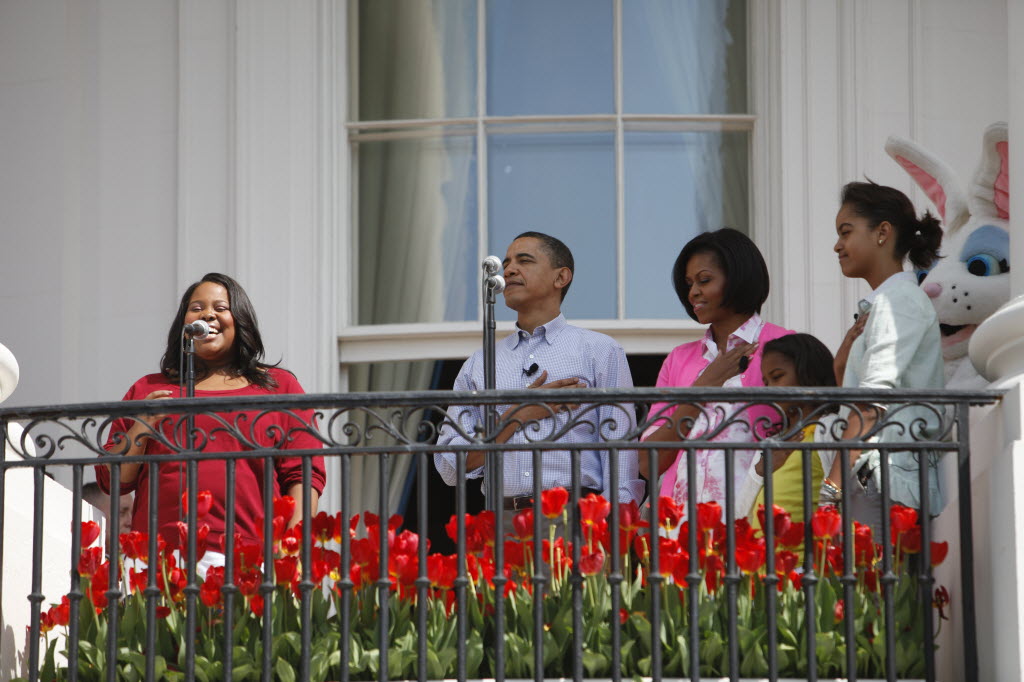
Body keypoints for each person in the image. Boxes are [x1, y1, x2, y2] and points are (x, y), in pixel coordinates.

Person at [96, 273, 326, 566]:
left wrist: (293, 551)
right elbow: (112, 480)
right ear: (184, 324)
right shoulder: (148, 389)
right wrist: (142, 426)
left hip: (247, 554)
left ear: (240, 320)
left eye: (220, 308)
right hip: (159, 560)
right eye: (197, 308)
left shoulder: (278, 387)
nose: (208, 314)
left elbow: (303, 475)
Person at [434, 232, 644, 523]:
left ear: (561, 277)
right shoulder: (480, 363)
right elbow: (450, 468)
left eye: (524, 261)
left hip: (578, 519)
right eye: (507, 263)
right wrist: (517, 416)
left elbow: (620, 453)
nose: (509, 270)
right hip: (503, 522)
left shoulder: (599, 350)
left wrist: (612, 528)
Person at [640, 228, 793, 520]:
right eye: (689, 284)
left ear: (737, 278)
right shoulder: (678, 359)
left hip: (758, 521)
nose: (693, 292)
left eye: (704, 280)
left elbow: (804, 438)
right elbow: (649, 463)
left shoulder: (786, 345)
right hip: (681, 528)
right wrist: (703, 387)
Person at [826, 181, 945, 529]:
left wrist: (830, 489)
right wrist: (841, 365)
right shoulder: (884, 303)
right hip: (875, 478)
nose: (837, 245)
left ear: (882, 232)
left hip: (885, 482)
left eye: (846, 232)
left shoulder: (899, 301)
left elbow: (871, 402)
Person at [735, 334, 841, 526]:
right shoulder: (773, 442)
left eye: (777, 377)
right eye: (766, 383)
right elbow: (741, 515)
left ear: (808, 372)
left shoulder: (829, 428)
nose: (769, 389)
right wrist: (760, 471)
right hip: (761, 546)